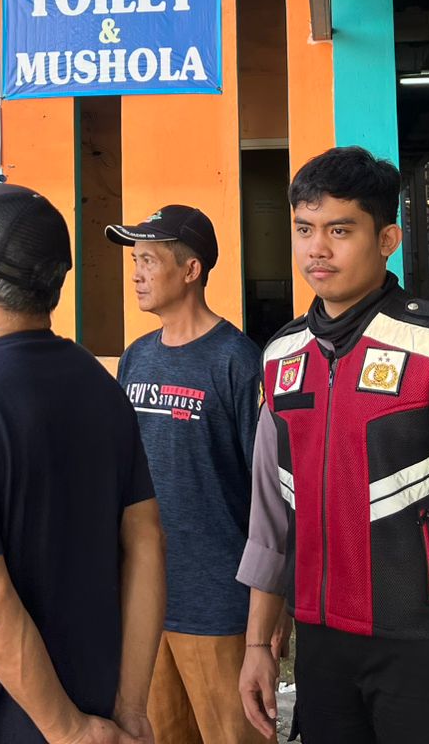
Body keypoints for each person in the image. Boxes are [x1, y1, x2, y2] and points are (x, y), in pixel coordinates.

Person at [237, 146, 429, 744]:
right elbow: (270, 514)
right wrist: (256, 644)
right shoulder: (281, 356)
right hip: (321, 646)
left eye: (340, 230)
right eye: (304, 229)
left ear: (388, 239)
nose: (317, 249)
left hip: (424, 646)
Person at [0, 182, 166, 743]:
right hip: (97, 705)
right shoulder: (99, 385)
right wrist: (130, 706)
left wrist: (67, 730)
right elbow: (146, 543)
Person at [105, 205, 268, 744]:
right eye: (135, 261)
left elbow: (269, 493)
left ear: (191, 270)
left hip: (220, 606)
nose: (136, 274)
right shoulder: (135, 359)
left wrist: (272, 609)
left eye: (149, 260)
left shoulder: (237, 361)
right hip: (144, 603)